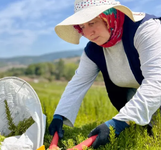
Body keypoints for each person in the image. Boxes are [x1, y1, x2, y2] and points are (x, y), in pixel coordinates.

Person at [48, 0, 161, 149]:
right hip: (143, 102)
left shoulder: (145, 30)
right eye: (82, 26)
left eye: (92, 23)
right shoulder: (94, 50)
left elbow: (156, 81)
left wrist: (117, 123)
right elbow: (78, 83)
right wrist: (59, 116)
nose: (88, 33)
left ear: (109, 16)